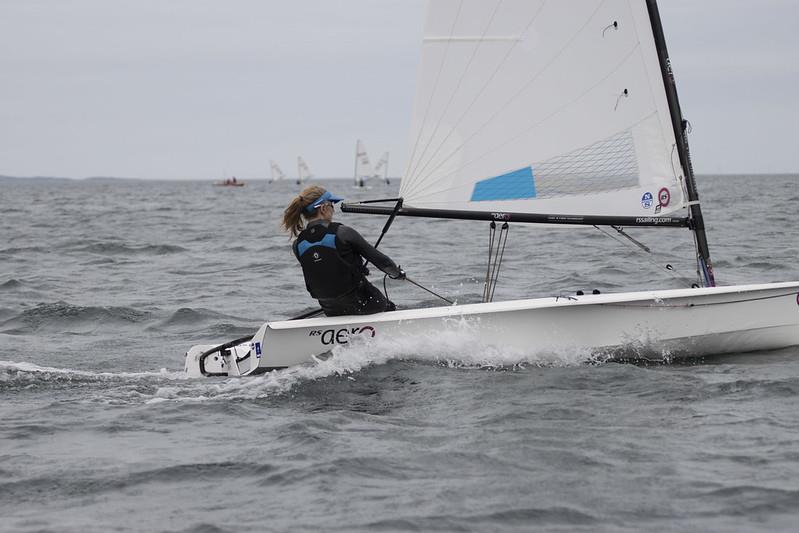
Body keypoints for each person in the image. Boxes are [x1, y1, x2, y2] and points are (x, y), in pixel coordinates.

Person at [282, 185, 405, 317]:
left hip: (331, 309)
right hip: (363, 303)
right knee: (390, 307)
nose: (333, 210)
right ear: (323, 208)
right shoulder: (343, 233)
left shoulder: (298, 244)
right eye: (332, 205)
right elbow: (384, 262)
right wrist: (398, 274)